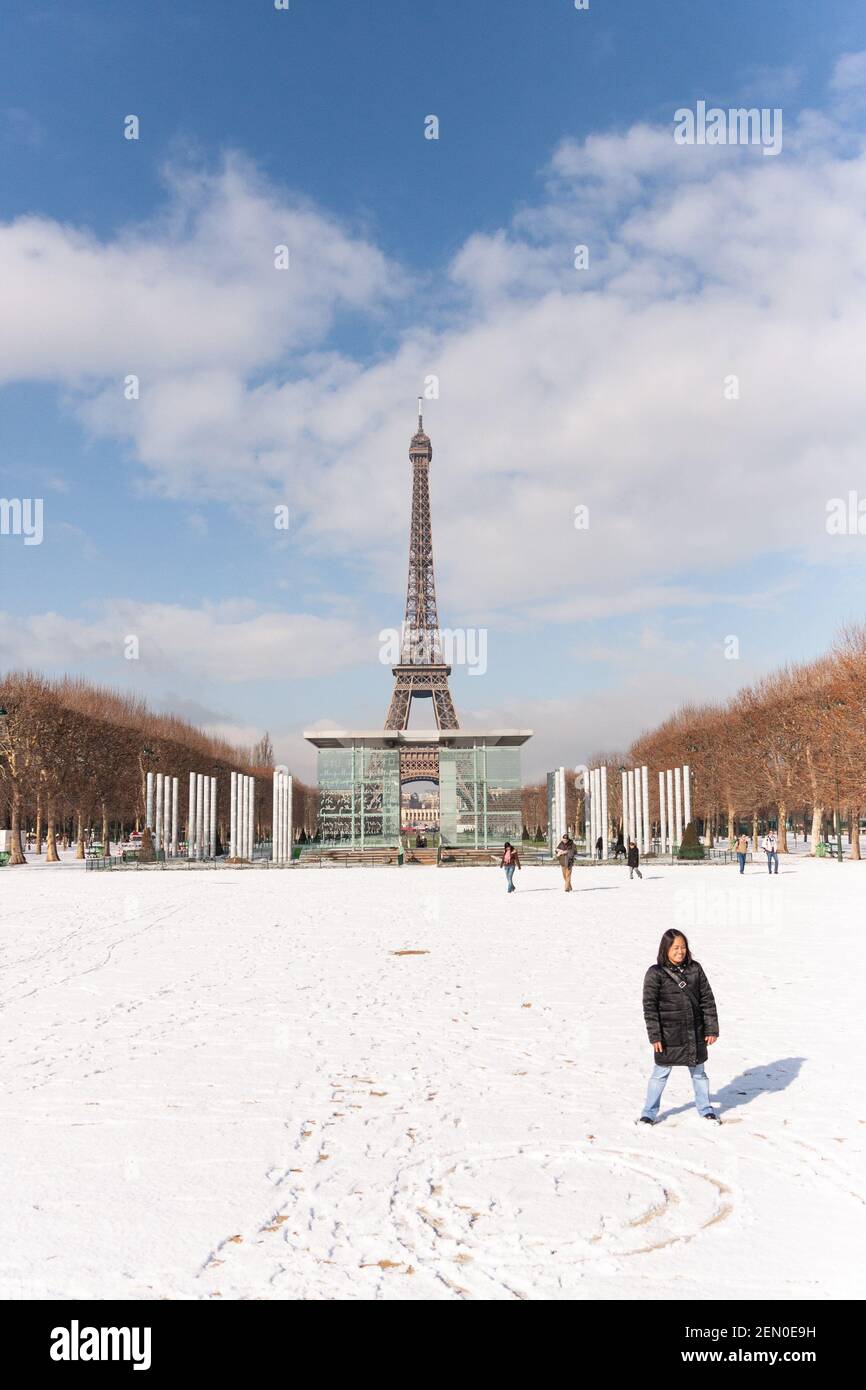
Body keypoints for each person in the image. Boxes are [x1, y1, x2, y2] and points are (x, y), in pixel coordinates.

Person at [639, 930, 720, 1125]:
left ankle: (705, 1109)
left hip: (694, 1032)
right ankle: (649, 1113)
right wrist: (655, 1036)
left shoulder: (695, 969)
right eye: (675, 947)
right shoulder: (655, 973)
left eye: (683, 947)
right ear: (666, 949)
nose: (680, 951)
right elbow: (649, 1007)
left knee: (699, 1073)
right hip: (668, 1035)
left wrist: (711, 1029)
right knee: (660, 1074)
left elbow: (707, 1000)